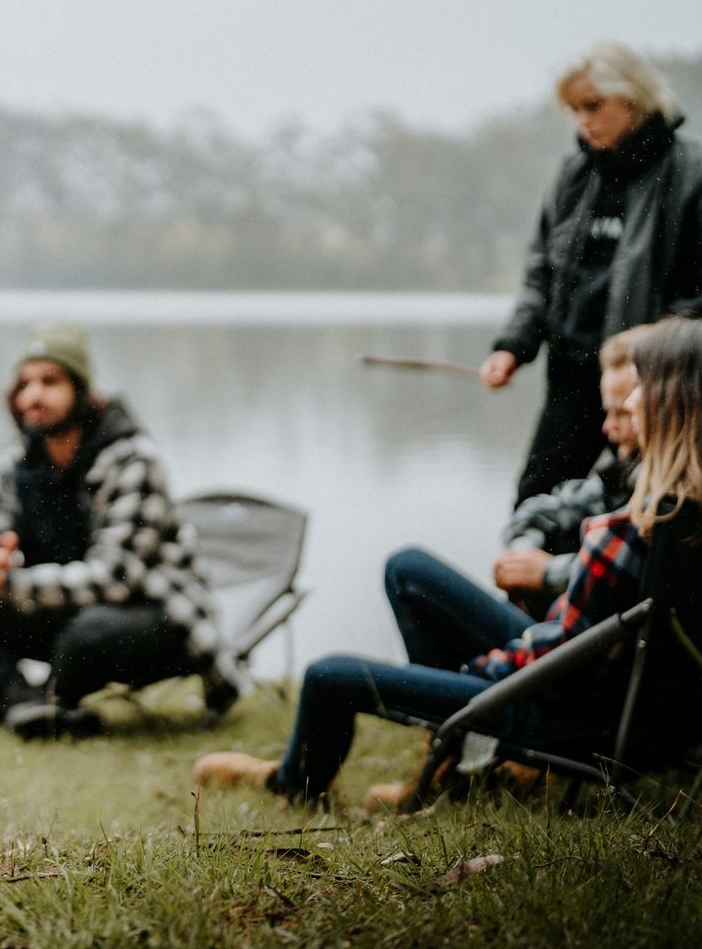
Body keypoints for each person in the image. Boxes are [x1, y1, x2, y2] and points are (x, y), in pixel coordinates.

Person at [195, 315, 702, 808]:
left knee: (327, 677)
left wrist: (476, 671)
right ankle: (447, 759)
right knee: (409, 570)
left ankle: (295, 784)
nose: (626, 404)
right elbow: (582, 641)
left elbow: (560, 665)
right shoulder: (682, 513)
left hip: (569, 719)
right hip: (635, 716)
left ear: (669, 403)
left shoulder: (627, 532)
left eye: (640, 388)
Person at [0, 324, 227, 741]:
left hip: (154, 617)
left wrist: (8, 583)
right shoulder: (20, 460)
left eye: (50, 381)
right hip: (63, 607)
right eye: (24, 384)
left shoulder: (131, 460)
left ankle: (43, 700)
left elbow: (113, 580)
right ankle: (25, 699)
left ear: (81, 389)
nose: (33, 396)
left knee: (88, 632)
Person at [480, 43, 702, 503]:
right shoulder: (573, 176)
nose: (584, 121)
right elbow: (541, 274)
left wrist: (653, 349)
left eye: (593, 105)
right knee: (536, 500)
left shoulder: (691, 174)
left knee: (653, 505)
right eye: (576, 110)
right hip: (574, 378)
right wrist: (512, 346)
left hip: (655, 385)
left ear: (633, 97)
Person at [493, 325, 643, 617]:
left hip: (584, 636)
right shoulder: (622, 473)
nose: (608, 427)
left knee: (407, 568)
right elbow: (540, 510)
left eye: (624, 412)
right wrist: (521, 558)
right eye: (608, 412)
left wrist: (548, 572)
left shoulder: (662, 488)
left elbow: (632, 574)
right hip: (567, 627)